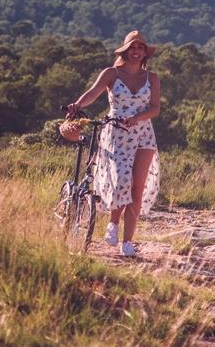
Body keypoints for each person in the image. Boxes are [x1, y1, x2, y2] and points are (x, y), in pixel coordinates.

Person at [65, 30, 161, 257]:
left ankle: (128, 242)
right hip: (116, 131)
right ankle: (113, 222)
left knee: (138, 187)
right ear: (125, 51)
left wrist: (137, 118)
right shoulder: (111, 73)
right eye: (133, 48)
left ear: (145, 53)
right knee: (121, 180)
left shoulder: (152, 78)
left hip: (143, 133)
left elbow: (155, 108)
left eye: (140, 48)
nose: (136, 52)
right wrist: (77, 105)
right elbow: (92, 93)